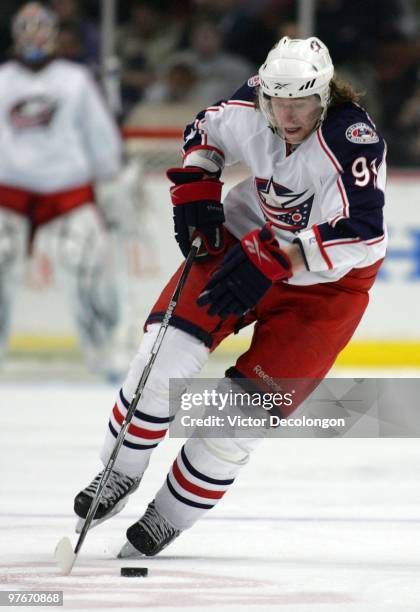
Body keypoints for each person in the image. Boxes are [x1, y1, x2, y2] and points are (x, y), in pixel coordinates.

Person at [74, 36, 387, 556]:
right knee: (161, 356)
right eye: (277, 103)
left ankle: (169, 514)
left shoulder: (352, 139)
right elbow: (203, 130)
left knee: (239, 418)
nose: (287, 117)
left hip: (325, 288)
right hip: (246, 244)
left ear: (325, 96)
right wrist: (196, 186)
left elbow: (361, 232)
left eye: (301, 104)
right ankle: (118, 471)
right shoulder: (254, 104)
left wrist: (276, 258)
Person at [0, 3, 139, 378]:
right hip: (8, 193)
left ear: (53, 35)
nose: (33, 38)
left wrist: (112, 181)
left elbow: (100, 136)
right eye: (26, 31)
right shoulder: (2, 79)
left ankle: (107, 350)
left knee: (88, 269)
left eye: (40, 30)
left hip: (67, 191)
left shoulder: (75, 79)